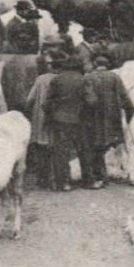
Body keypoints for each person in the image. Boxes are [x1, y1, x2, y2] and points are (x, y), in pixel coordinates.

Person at [42, 51, 95, 191]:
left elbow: (46, 103)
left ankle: (64, 183)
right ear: (79, 66)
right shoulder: (84, 80)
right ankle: (88, 181)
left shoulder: (57, 79)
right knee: (84, 150)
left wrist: (52, 115)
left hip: (59, 120)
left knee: (61, 152)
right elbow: (91, 101)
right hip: (80, 120)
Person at [83, 52, 134, 189]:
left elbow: (87, 100)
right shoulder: (115, 77)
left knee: (93, 146)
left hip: (93, 118)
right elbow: (125, 98)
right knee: (103, 147)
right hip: (111, 119)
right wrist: (129, 115)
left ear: (95, 64)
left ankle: (98, 176)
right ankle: (102, 175)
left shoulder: (88, 77)